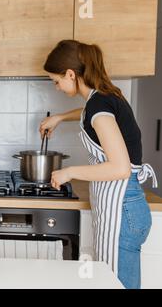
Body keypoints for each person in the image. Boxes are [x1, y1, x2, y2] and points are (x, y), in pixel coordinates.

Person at [40, 40, 158, 289]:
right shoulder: (105, 97)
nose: (57, 87)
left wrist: (69, 172)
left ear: (71, 74)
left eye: (57, 81)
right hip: (126, 206)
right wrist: (61, 117)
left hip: (122, 211)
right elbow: (89, 113)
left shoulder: (99, 106)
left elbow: (120, 168)